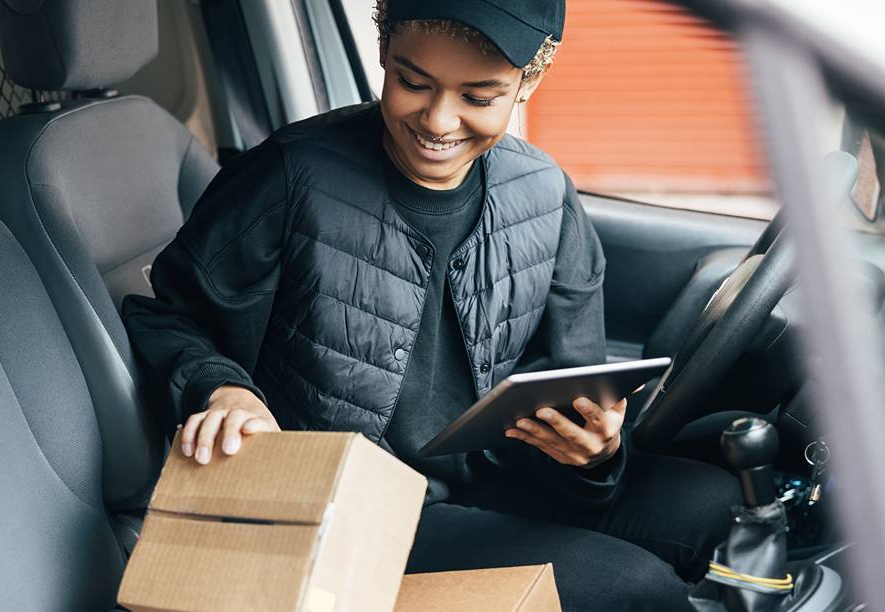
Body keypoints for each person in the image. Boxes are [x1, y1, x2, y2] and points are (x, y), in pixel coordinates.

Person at [123, 1, 740, 609]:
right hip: (354, 503)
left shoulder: (546, 194)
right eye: (411, 82)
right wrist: (221, 390)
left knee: (719, 506)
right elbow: (167, 316)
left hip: (500, 475)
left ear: (531, 80)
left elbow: (572, 384)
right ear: (385, 53)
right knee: (635, 587)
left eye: (478, 97)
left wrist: (596, 454)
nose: (439, 120)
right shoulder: (286, 177)